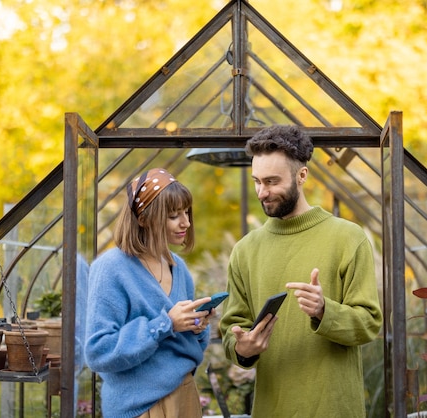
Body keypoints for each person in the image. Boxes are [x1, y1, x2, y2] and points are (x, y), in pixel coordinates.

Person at [219, 125, 383, 417]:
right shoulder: (245, 250)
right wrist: (243, 348)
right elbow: (231, 330)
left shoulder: (348, 237)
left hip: (334, 409)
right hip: (272, 409)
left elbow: (369, 323)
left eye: (271, 181)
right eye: (257, 181)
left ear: (302, 175)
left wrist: (324, 311)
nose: (262, 192)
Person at [85, 168, 213, 418]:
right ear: (143, 218)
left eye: (186, 212)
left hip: (184, 395)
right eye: (174, 215)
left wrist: (198, 325)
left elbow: (191, 343)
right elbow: (99, 351)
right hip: (138, 406)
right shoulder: (111, 268)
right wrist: (166, 324)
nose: (185, 222)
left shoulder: (179, 268)